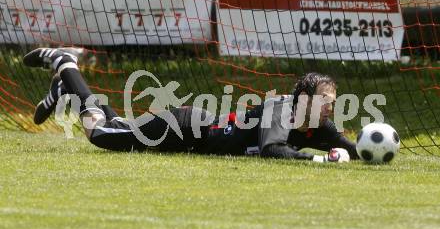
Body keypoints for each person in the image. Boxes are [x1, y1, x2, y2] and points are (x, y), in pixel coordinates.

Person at [24, 48, 358, 163]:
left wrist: (374, 146)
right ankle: (66, 64)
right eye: (325, 102)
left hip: (190, 134)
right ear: (305, 101)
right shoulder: (282, 110)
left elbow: (350, 148)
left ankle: (65, 87)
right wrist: (319, 161)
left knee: (119, 126)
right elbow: (272, 149)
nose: (331, 108)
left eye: (331, 103)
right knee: (97, 134)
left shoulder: (318, 125)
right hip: (181, 128)